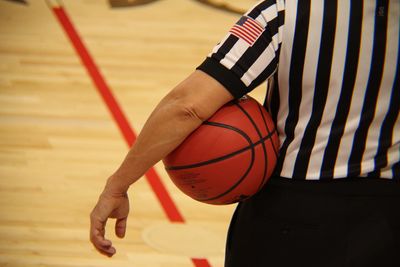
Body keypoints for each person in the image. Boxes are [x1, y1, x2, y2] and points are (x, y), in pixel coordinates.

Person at [90, 0, 399, 266]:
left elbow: (188, 106)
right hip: (387, 218)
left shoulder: (286, 10)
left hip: (289, 216)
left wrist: (118, 184)